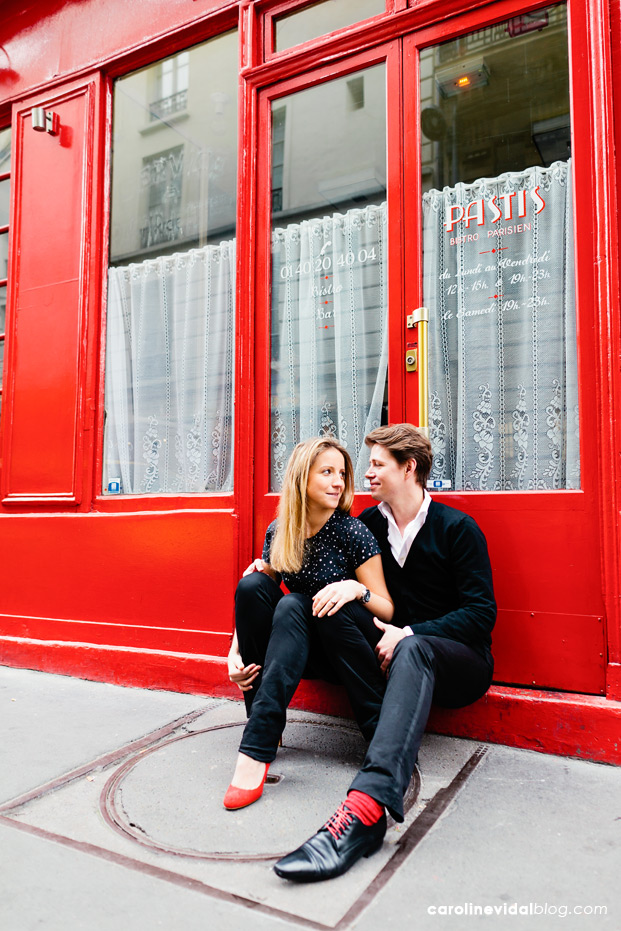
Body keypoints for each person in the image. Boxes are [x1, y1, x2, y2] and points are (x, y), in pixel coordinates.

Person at [273, 423, 496, 882]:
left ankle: (364, 810)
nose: (365, 474)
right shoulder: (365, 526)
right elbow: (303, 571)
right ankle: (263, 729)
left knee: (413, 647)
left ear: (408, 467)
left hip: (457, 662)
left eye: (376, 464)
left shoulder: (457, 529)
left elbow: (480, 615)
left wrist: (408, 631)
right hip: (384, 657)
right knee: (322, 600)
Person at [224, 436, 394, 810]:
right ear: (302, 479)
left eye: (341, 473)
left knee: (297, 603)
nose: (338, 482)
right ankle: (264, 723)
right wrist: (233, 651)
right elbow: (256, 594)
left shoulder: (351, 532)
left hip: (351, 647)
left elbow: (387, 609)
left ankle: (378, 734)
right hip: (305, 648)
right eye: (327, 472)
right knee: (254, 586)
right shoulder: (279, 531)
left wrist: (354, 589)